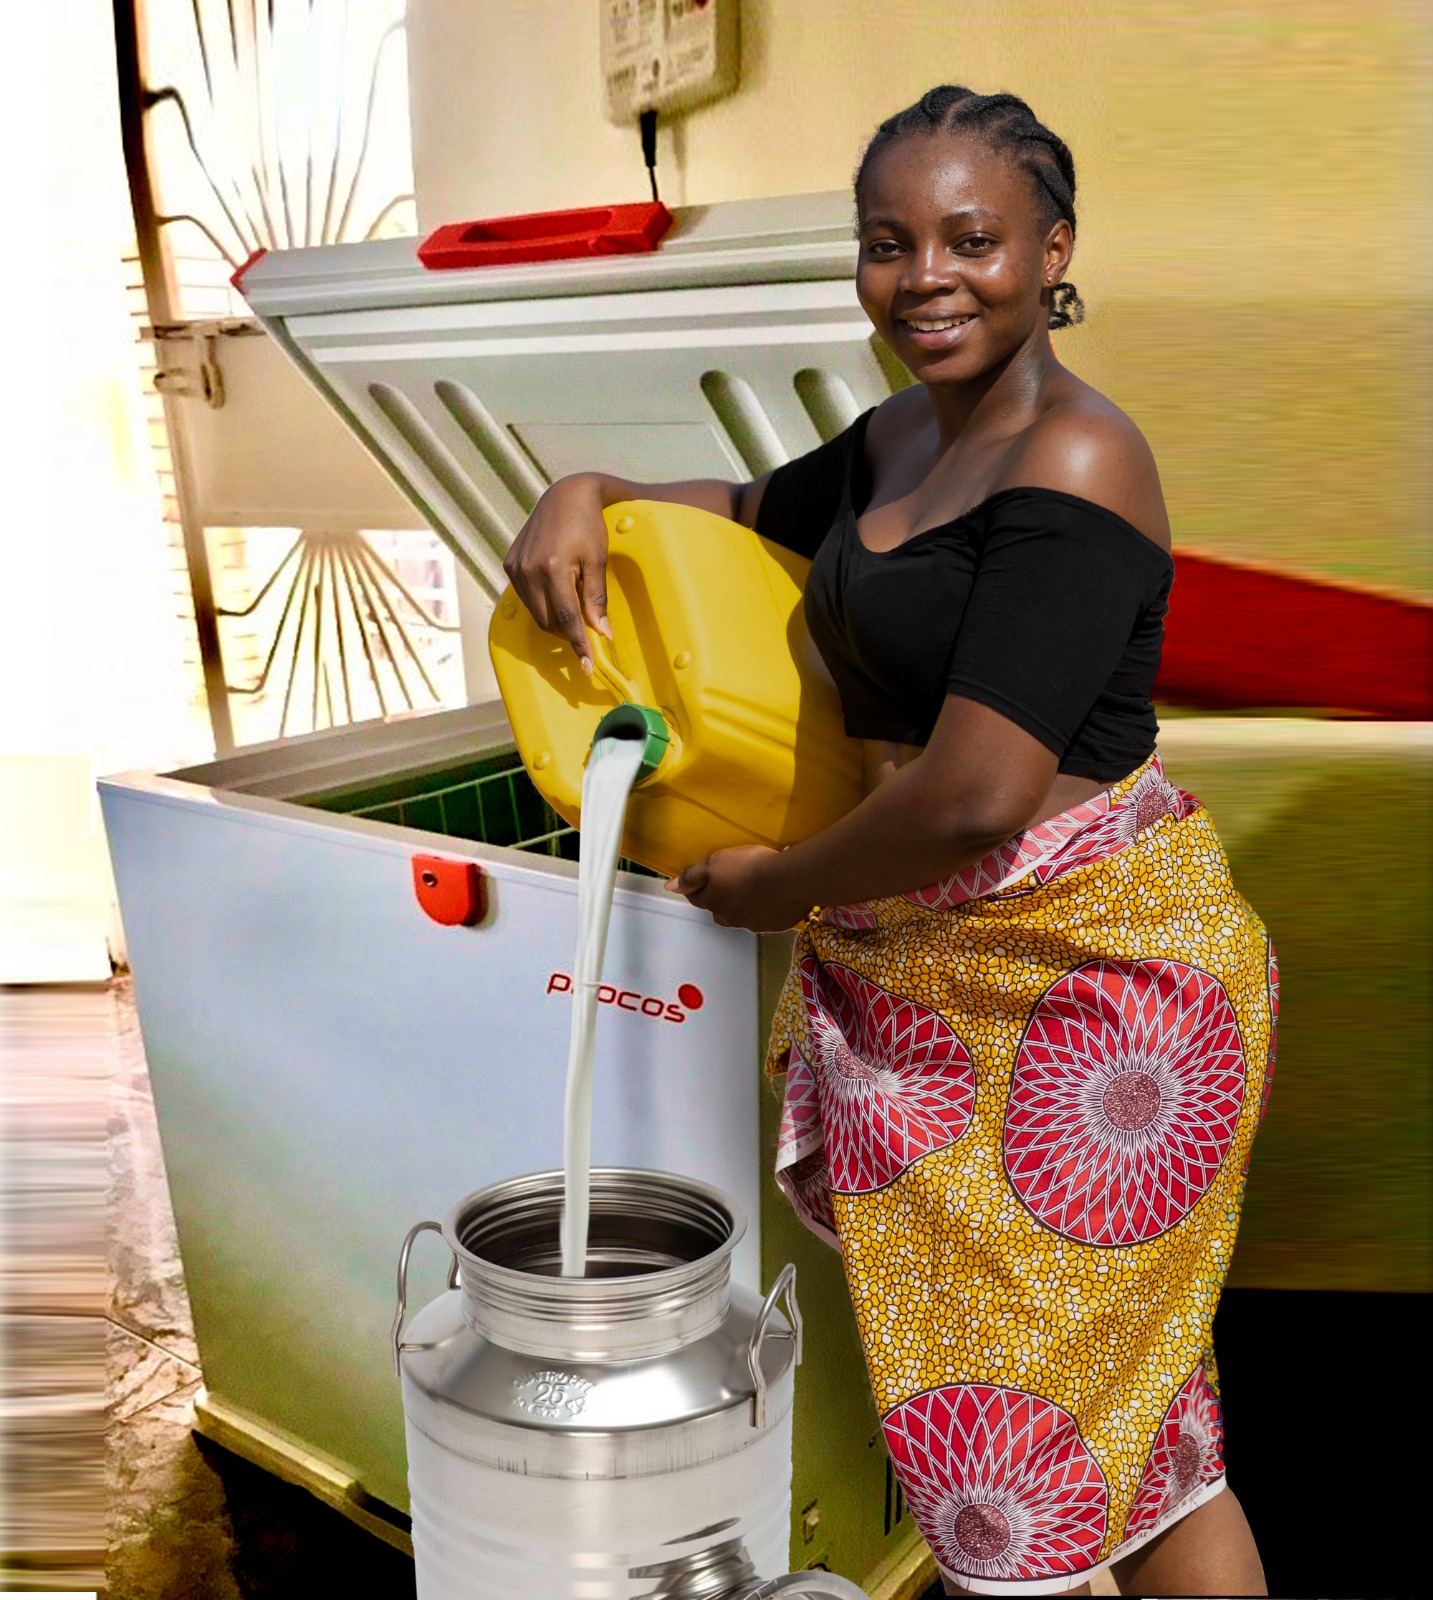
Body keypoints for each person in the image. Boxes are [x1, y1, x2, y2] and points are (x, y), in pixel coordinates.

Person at [504, 85, 1273, 1600]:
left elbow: (977, 795)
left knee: (1016, 1464)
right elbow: (731, 509)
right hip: (938, 988)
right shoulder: (889, 444)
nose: (926, 274)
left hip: (1094, 1011)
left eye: (972, 238)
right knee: (1128, 1437)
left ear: (1053, 249)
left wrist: (767, 891)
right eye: (887, 242)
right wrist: (577, 486)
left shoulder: (1074, 462)